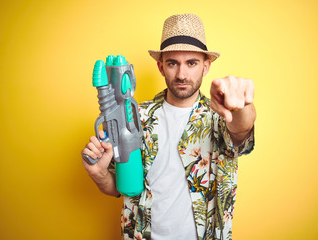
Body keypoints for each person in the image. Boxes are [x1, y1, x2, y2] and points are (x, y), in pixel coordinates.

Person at [81, 13, 255, 240]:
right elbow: (122, 188)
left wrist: (241, 104)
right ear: (161, 67)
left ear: (206, 66)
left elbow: (242, 129)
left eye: (191, 63)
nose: (182, 74)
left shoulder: (219, 116)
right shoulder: (134, 117)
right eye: (173, 63)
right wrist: (100, 174)